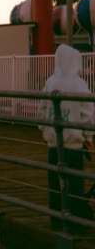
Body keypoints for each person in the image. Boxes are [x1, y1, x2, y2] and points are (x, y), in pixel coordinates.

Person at [41, 44, 94, 229]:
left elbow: (42, 110)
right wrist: (88, 138)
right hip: (74, 145)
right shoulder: (79, 84)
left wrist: (44, 131)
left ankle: (56, 219)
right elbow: (88, 114)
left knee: (55, 185)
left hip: (53, 144)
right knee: (75, 184)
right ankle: (75, 221)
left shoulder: (50, 82)